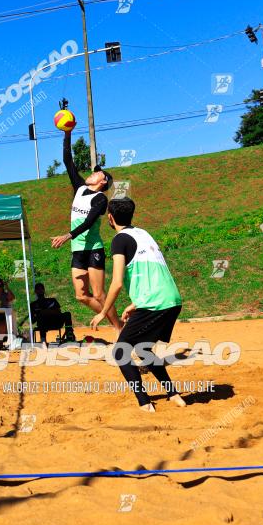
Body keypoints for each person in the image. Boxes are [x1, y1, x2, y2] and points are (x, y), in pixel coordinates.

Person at [90, 197, 186, 412]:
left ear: (110, 218)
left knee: (120, 352)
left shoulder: (119, 240)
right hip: (171, 299)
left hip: (154, 303)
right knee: (143, 351)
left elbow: (116, 283)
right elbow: (152, 273)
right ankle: (173, 394)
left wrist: (103, 312)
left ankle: (144, 403)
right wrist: (135, 303)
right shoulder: (144, 234)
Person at [51, 125, 122, 331]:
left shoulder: (100, 199)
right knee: (81, 295)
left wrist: (67, 235)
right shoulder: (80, 187)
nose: (93, 173)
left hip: (93, 249)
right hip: (78, 250)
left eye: (97, 174)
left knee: (99, 294)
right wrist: (67, 134)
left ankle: (118, 328)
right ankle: (112, 319)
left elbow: (89, 222)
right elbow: (68, 161)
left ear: (103, 182)